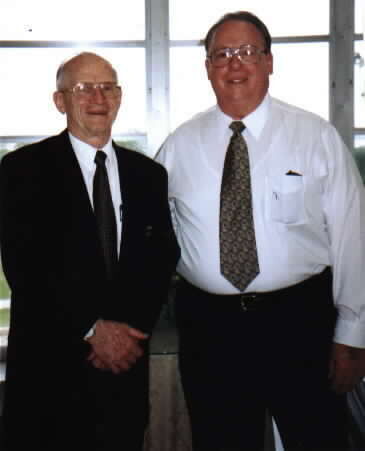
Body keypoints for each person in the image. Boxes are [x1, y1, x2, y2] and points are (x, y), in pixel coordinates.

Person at [156, 11, 365, 451]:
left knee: (317, 439)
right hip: (210, 329)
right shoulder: (178, 145)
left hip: (300, 321)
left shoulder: (316, 137)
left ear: (269, 62)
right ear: (208, 67)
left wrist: (352, 334)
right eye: (222, 54)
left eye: (247, 52)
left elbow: (352, 235)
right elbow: (156, 231)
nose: (235, 64)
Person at [0, 52, 179, 451]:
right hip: (49, 376)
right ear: (60, 101)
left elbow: (160, 258)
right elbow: (24, 265)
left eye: (108, 87)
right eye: (83, 88)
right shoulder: (22, 170)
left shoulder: (148, 175)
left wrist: (127, 335)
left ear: (119, 97)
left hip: (122, 375)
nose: (98, 97)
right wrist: (93, 330)